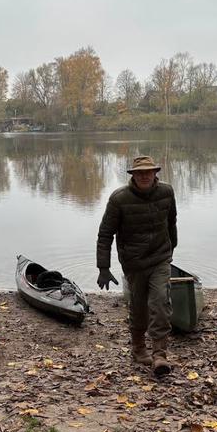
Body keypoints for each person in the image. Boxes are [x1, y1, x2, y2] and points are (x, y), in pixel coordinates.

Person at [96, 155, 177, 376]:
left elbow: (171, 222)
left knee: (160, 302)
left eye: (148, 172)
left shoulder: (167, 192)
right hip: (134, 262)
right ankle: (139, 348)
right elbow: (105, 234)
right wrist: (104, 267)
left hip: (160, 257)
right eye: (139, 173)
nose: (144, 176)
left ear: (155, 173)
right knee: (139, 306)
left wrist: (171, 248)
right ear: (133, 175)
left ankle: (160, 355)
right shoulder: (119, 199)